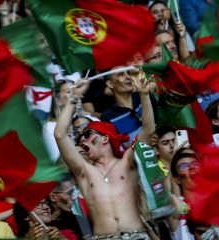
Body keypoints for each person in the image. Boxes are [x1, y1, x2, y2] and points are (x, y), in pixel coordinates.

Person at [54, 72, 155, 239]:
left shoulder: (127, 162)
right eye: (80, 140)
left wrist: (144, 96)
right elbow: (60, 135)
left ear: (105, 138)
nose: (83, 142)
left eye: (88, 136)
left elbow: (149, 129)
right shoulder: (84, 171)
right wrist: (74, 98)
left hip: (137, 235)